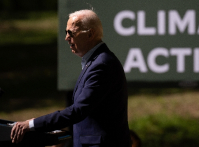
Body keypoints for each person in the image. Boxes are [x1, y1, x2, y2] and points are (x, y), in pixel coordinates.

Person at [11, 9, 131, 147]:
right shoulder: (96, 61)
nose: (66, 38)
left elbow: (78, 111)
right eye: (66, 32)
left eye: (71, 33)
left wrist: (32, 124)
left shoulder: (102, 64)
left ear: (90, 34)